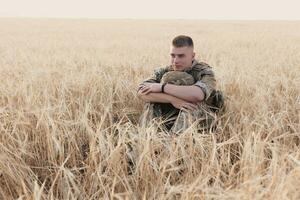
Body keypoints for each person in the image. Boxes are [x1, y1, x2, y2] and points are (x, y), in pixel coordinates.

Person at [137, 35, 224, 133]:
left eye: (181, 56)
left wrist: (162, 87)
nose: (176, 61)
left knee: (191, 105)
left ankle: (175, 141)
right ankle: (148, 137)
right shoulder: (164, 71)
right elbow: (141, 92)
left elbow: (198, 94)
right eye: (173, 55)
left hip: (195, 119)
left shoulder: (203, 71)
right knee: (151, 104)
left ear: (192, 56)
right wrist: (172, 100)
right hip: (167, 115)